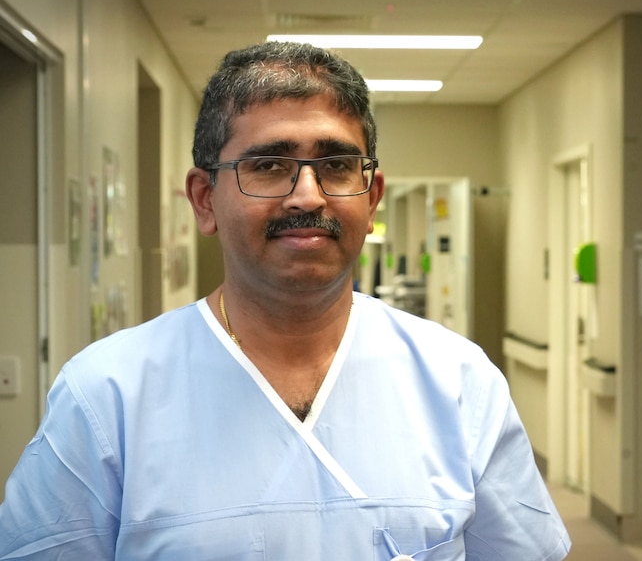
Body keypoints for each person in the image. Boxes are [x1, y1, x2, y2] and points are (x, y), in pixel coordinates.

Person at [0, 41, 571, 560]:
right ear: (204, 200)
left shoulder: (459, 382)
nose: (307, 195)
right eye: (269, 166)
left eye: (336, 165)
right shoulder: (106, 396)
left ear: (371, 200)